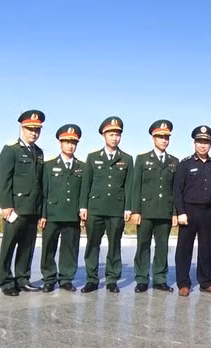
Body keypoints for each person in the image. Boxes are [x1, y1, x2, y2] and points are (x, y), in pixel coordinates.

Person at [79, 116, 134, 294]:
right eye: (111, 134)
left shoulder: (126, 158)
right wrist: (83, 207)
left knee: (114, 245)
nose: (114, 138)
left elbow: (129, 185)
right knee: (92, 244)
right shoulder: (93, 157)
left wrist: (128, 208)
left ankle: (112, 279)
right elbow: (86, 184)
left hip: (116, 210)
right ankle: (92, 279)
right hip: (95, 208)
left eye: (117, 134)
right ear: (103, 135)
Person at [0, 109, 46, 296]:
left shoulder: (39, 153)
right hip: (15, 208)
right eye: (30, 129)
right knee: (9, 245)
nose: (34, 132)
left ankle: (22, 279)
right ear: (21, 127)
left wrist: (41, 210)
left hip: (33, 208)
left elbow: (39, 183)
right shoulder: (11, 150)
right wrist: (6, 205)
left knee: (27, 246)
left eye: (37, 129)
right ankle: (6, 281)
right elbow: (4, 180)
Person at [131, 120, 179, 293]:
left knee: (162, 246)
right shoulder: (143, 159)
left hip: (164, 211)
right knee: (143, 245)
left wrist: (174, 212)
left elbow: (175, 190)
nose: (164, 140)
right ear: (153, 138)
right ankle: (142, 278)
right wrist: (135, 210)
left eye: (166, 137)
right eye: (160, 137)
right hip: (146, 211)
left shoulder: (174, 161)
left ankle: (160, 278)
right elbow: (136, 187)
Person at [174, 125, 211, 296]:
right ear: (194, 143)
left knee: (205, 248)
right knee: (184, 248)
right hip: (188, 211)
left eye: (206, 142)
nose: (203, 145)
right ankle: (183, 283)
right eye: (200, 142)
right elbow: (177, 190)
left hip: (208, 212)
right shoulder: (185, 164)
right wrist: (180, 212)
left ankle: (205, 282)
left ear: (210, 145)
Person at [39, 124, 84, 292]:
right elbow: (44, 192)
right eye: (67, 142)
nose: (70, 145)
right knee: (48, 246)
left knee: (70, 247)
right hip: (52, 213)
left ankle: (66, 278)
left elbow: (83, 192)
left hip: (72, 214)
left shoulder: (82, 167)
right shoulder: (49, 165)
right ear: (60, 143)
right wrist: (43, 214)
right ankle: (49, 278)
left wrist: (82, 211)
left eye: (73, 142)